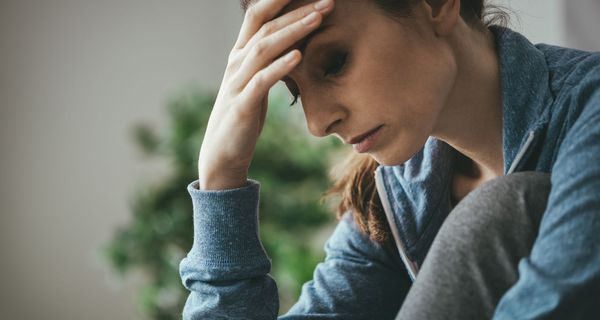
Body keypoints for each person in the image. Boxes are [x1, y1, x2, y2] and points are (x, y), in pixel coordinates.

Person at [179, 0, 600, 318]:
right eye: (293, 90)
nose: (317, 123)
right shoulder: (397, 193)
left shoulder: (590, 108)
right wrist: (221, 180)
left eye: (334, 62)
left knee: (503, 207)